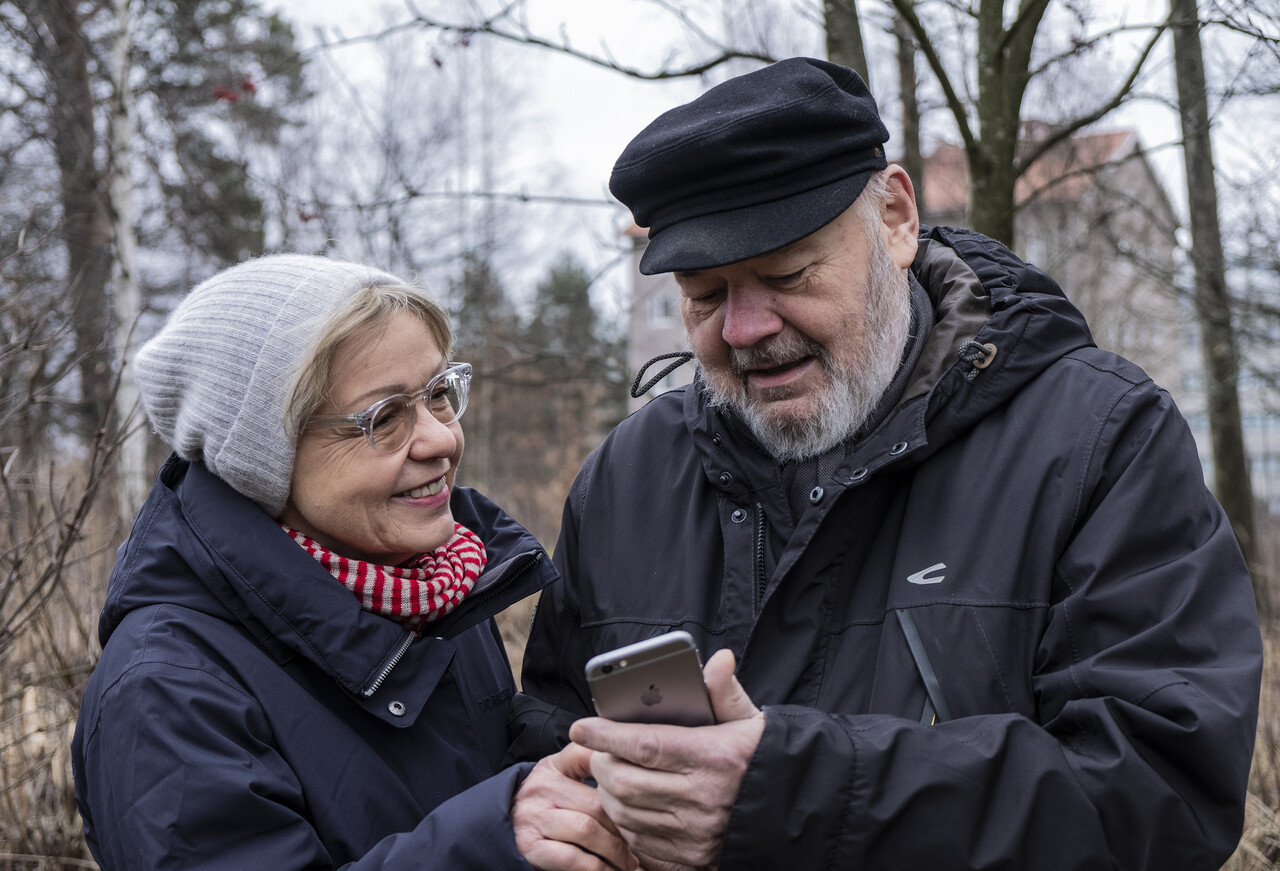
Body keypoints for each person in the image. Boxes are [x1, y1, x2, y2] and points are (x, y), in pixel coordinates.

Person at [516, 57, 1264, 870]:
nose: (742, 328)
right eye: (703, 294)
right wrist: (539, 806)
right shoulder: (625, 480)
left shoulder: (1099, 441)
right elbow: (549, 739)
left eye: (785, 273)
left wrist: (804, 798)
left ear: (898, 219)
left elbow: (1161, 796)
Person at [71, 254, 634, 871]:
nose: (442, 440)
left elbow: (454, 776)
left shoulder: (435, 582)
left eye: (439, 394)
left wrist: (592, 765)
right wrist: (499, 839)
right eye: (384, 418)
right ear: (261, 457)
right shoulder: (167, 691)